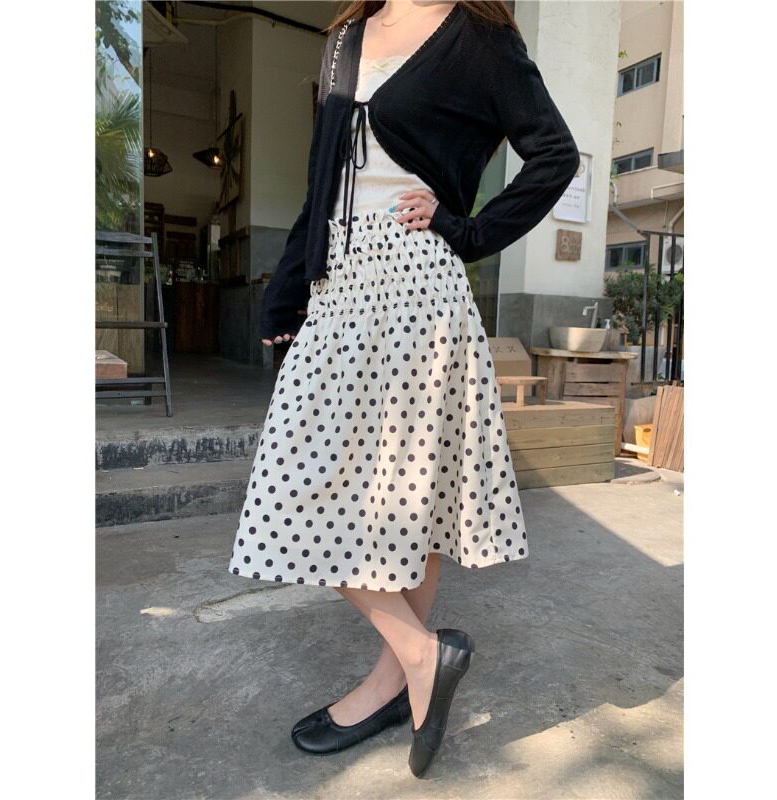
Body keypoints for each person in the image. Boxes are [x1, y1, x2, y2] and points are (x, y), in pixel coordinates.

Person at [228, 0, 580, 777]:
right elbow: (324, 175)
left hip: (418, 281)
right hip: (339, 284)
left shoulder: (480, 37)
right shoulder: (346, 35)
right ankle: (424, 654)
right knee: (291, 487)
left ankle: (397, 683)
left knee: (410, 496)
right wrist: (288, 287)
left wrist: (468, 229)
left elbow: (554, 155)